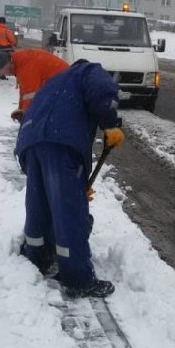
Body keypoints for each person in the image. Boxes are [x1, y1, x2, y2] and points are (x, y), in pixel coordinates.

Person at [14, 59, 124, 298]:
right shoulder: (91, 70)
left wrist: (77, 184)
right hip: (60, 141)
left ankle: (36, 258)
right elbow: (103, 91)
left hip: (30, 141)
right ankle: (78, 278)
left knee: (39, 204)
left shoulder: (56, 82)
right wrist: (110, 124)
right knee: (70, 211)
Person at [0, 48, 68, 122]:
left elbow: (31, 96)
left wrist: (27, 119)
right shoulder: (19, 61)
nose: (0, 74)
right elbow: (25, 92)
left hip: (66, 86)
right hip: (61, 85)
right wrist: (21, 110)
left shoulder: (25, 67)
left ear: (5, 64)